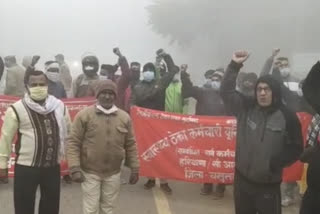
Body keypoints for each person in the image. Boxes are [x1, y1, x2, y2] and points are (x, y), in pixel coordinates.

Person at [221, 51, 303, 214]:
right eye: (259, 89)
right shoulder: (246, 108)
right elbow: (226, 92)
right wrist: (234, 65)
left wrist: (276, 162)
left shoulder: (288, 116)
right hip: (242, 182)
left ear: (275, 92)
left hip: (268, 186)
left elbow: (296, 147)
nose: (263, 93)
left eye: (267, 89)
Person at [0, 66, 71, 214]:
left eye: (42, 84)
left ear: (47, 85)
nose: (38, 87)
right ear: (26, 86)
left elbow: (68, 133)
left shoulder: (59, 106)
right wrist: (2, 164)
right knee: (24, 207)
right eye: (34, 85)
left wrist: (70, 162)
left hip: (52, 166)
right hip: (26, 167)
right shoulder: (16, 109)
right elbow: (5, 138)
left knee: (50, 207)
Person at [67, 79, 139, 214]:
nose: (107, 96)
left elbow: (130, 144)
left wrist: (135, 168)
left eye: (111, 93)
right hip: (90, 172)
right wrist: (74, 168)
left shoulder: (124, 117)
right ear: (97, 95)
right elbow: (73, 142)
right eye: (103, 93)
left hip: (114, 173)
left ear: (115, 96)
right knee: (90, 209)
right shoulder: (84, 115)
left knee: (108, 208)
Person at [131, 49, 178, 194]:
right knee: (147, 152)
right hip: (144, 126)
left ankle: (164, 181)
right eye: (146, 70)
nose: (148, 72)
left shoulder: (161, 82)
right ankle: (150, 179)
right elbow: (133, 103)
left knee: (162, 152)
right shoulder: (138, 86)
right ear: (143, 73)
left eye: (151, 70)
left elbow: (173, 70)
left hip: (159, 125)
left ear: (154, 72)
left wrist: (166, 56)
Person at [181, 66, 227, 199]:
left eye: (218, 79)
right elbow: (188, 89)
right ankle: (207, 185)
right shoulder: (202, 92)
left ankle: (221, 187)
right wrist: (184, 74)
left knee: (221, 161)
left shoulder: (228, 95)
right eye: (213, 78)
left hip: (222, 135)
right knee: (207, 159)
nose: (215, 81)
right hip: (206, 135)